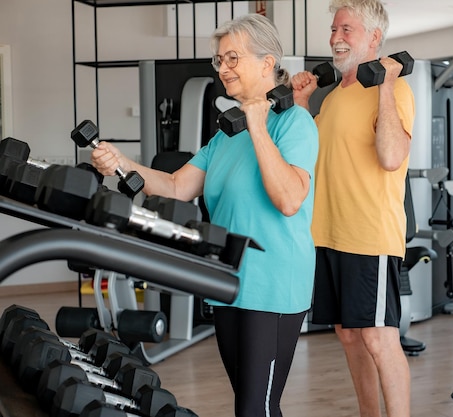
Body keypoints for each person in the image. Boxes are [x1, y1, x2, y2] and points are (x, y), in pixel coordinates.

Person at [90, 13, 319, 417]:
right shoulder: (225, 136)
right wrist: (122, 163)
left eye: (233, 58)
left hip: (274, 285)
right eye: (219, 60)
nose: (223, 68)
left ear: (267, 63)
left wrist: (258, 124)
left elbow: (289, 199)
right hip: (229, 282)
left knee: (255, 407)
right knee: (253, 406)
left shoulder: (294, 123)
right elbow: (178, 186)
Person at [291, 0, 414, 416]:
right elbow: (311, 156)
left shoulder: (395, 90)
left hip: (368, 234)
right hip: (327, 232)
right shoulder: (334, 97)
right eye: (333, 29)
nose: (335, 38)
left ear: (374, 38)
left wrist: (385, 85)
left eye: (346, 29)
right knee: (348, 335)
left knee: (378, 338)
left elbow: (392, 157)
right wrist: (304, 102)